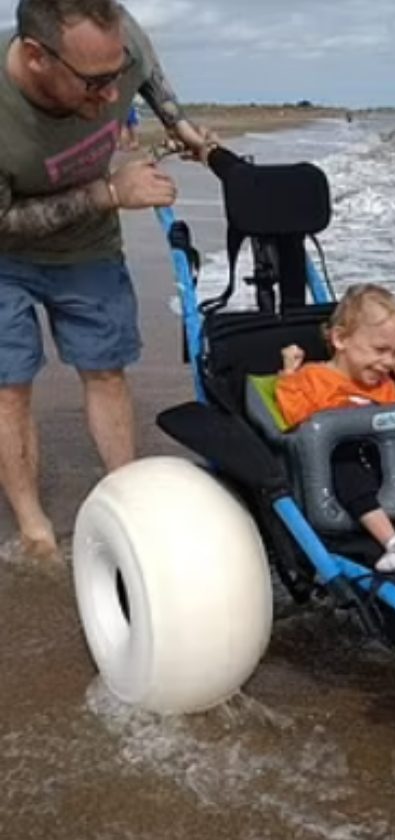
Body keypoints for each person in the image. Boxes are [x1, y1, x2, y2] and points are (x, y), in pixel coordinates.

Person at [0, 0, 218, 560]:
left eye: (115, 73)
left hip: (88, 248)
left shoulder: (116, 47)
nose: (108, 97)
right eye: (94, 83)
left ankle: (126, 500)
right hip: (4, 254)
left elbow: (145, 67)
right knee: (8, 386)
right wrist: (110, 194)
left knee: (105, 368)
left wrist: (178, 121)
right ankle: (34, 527)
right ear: (35, 57)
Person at [275, 284, 395, 575]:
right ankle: (393, 543)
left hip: (386, 462)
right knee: (346, 467)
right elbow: (294, 414)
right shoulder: (313, 378)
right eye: (380, 350)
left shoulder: (383, 384)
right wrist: (289, 373)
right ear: (340, 338)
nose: (388, 362)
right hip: (345, 463)